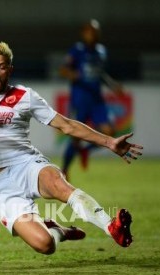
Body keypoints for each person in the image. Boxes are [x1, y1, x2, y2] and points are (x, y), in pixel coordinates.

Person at [0, 41, 142, 255]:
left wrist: (109, 142)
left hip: (27, 163)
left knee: (60, 185)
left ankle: (110, 226)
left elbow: (65, 125)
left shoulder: (25, 96)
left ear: (9, 70)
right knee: (45, 245)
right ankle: (58, 231)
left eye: (1, 67)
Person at [59, 19, 124, 178]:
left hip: (96, 101)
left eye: (94, 31)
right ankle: (65, 170)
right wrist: (73, 74)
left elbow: (100, 74)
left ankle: (84, 151)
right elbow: (63, 70)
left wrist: (112, 85)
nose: (92, 34)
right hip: (79, 101)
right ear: (83, 33)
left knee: (110, 132)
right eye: (88, 31)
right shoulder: (77, 50)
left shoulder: (102, 51)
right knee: (75, 139)